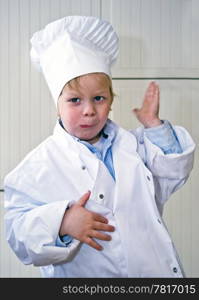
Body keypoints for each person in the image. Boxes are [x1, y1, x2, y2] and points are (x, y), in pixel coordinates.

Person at [4, 16, 195, 278]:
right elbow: (18, 233)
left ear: (111, 100)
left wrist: (155, 126)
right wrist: (61, 222)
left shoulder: (135, 146)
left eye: (99, 98)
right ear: (56, 106)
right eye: (74, 100)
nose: (89, 111)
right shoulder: (38, 166)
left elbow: (174, 172)